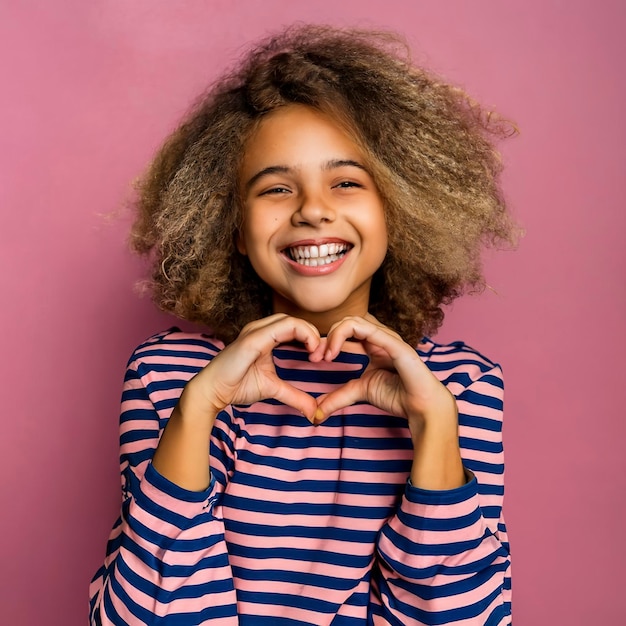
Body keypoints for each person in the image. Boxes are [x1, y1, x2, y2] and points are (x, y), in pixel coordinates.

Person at [89, 25, 517, 625]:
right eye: (276, 188)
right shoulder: (173, 377)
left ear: (399, 210)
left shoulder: (461, 388)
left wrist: (434, 428)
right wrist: (199, 407)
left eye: (346, 182)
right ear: (234, 230)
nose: (313, 209)